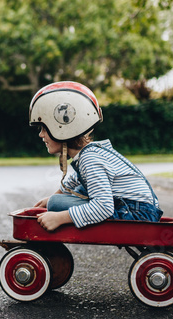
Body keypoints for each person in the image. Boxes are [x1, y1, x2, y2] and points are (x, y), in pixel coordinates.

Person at [29, 81, 162, 232]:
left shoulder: (90, 160)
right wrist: (50, 199)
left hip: (136, 213)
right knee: (59, 198)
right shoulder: (90, 153)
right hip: (138, 209)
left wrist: (58, 217)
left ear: (62, 129)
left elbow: (104, 207)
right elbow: (75, 181)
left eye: (44, 128)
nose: (41, 135)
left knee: (56, 204)